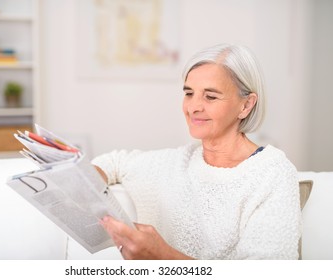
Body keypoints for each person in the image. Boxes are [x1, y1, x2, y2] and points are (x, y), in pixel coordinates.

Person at [94, 43, 302, 260]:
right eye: (189, 93)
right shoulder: (175, 162)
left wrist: (163, 257)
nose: (193, 107)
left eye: (210, 97)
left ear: (246, 105)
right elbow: (114, 163)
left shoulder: (272, 174)